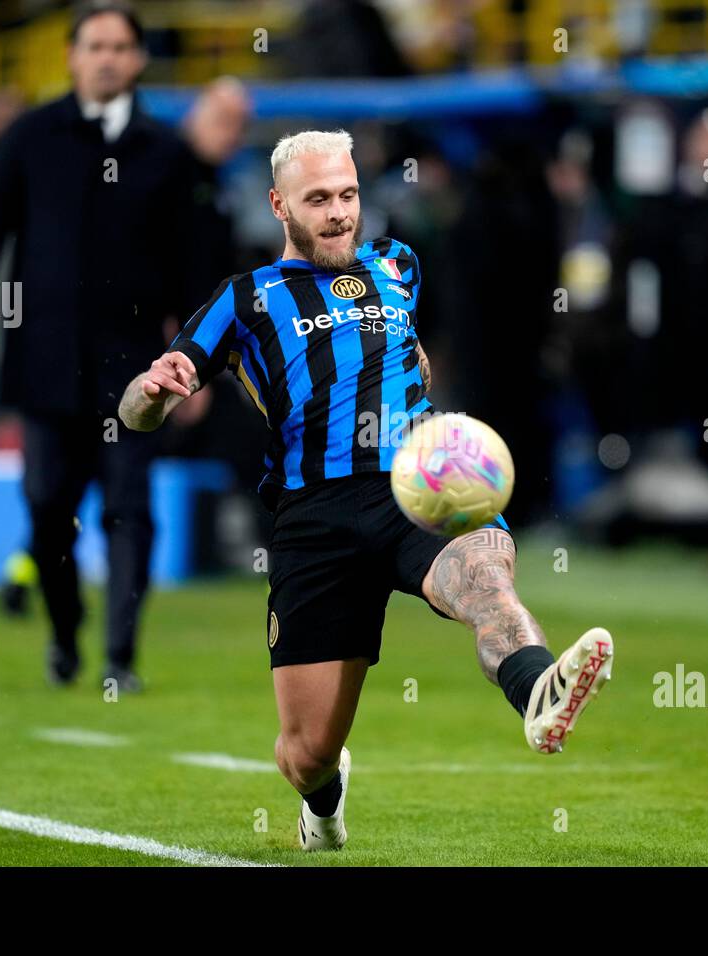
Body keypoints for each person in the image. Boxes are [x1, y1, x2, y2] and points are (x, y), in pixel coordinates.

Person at [118, 130, 614, 850]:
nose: (338, 213)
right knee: (305, 751)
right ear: (279, 204)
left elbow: (409, 350)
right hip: (311, 517)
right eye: (317, 199)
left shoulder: (396, 264)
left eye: (348, 195)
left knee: (484, 582)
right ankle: (322, 800)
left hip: (419, 484)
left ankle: (538, 691)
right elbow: (140, 409)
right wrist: (150, 393)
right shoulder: (244, 298)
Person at [0, 1, 206, 689]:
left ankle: (121, 658)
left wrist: (200, 365)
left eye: (121, 46)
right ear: (71, 55)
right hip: (45, 366)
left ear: (139, 59)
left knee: (130, 511)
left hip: (136, 374)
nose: (107, 58)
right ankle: (64, 633)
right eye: (95, 45)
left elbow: (195, 269)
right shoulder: (30, 137)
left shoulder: (167, 153)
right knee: (48, 509)